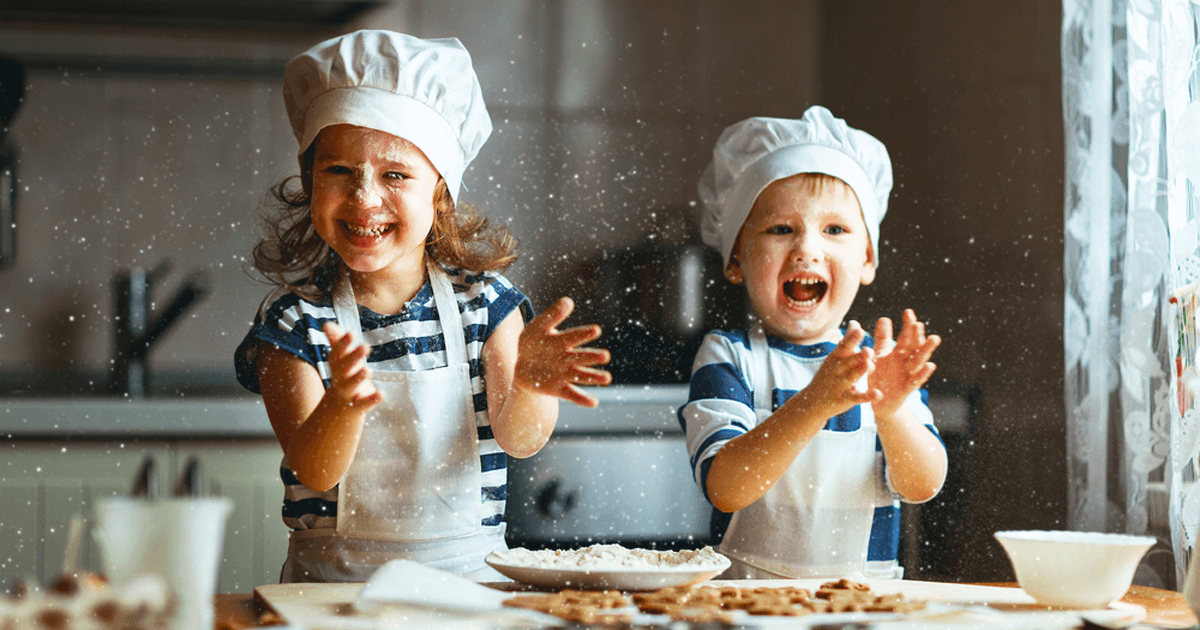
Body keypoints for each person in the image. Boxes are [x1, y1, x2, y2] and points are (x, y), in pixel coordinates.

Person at [234, 30, 612, 582]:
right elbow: (314, 471)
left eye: (395, 174)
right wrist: (343, 402)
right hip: (332, 594)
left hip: (471, 586)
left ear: (440, 192)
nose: (364, 197)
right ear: (309, 181)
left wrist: (529, 385)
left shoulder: (487, 305)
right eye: (338, 170)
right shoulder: (294, 324)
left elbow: (520, 441)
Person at [680, 107, 948, 579]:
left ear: (867, 259)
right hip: (745, 606)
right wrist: (814, 404)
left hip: (863, 608)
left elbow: (923, 485)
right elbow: (725, 486)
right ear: (736, 257)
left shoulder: (880, 365)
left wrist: (889, 410)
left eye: (835, 230)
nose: (807, 248)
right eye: (781, 229)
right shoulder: (729, 356)